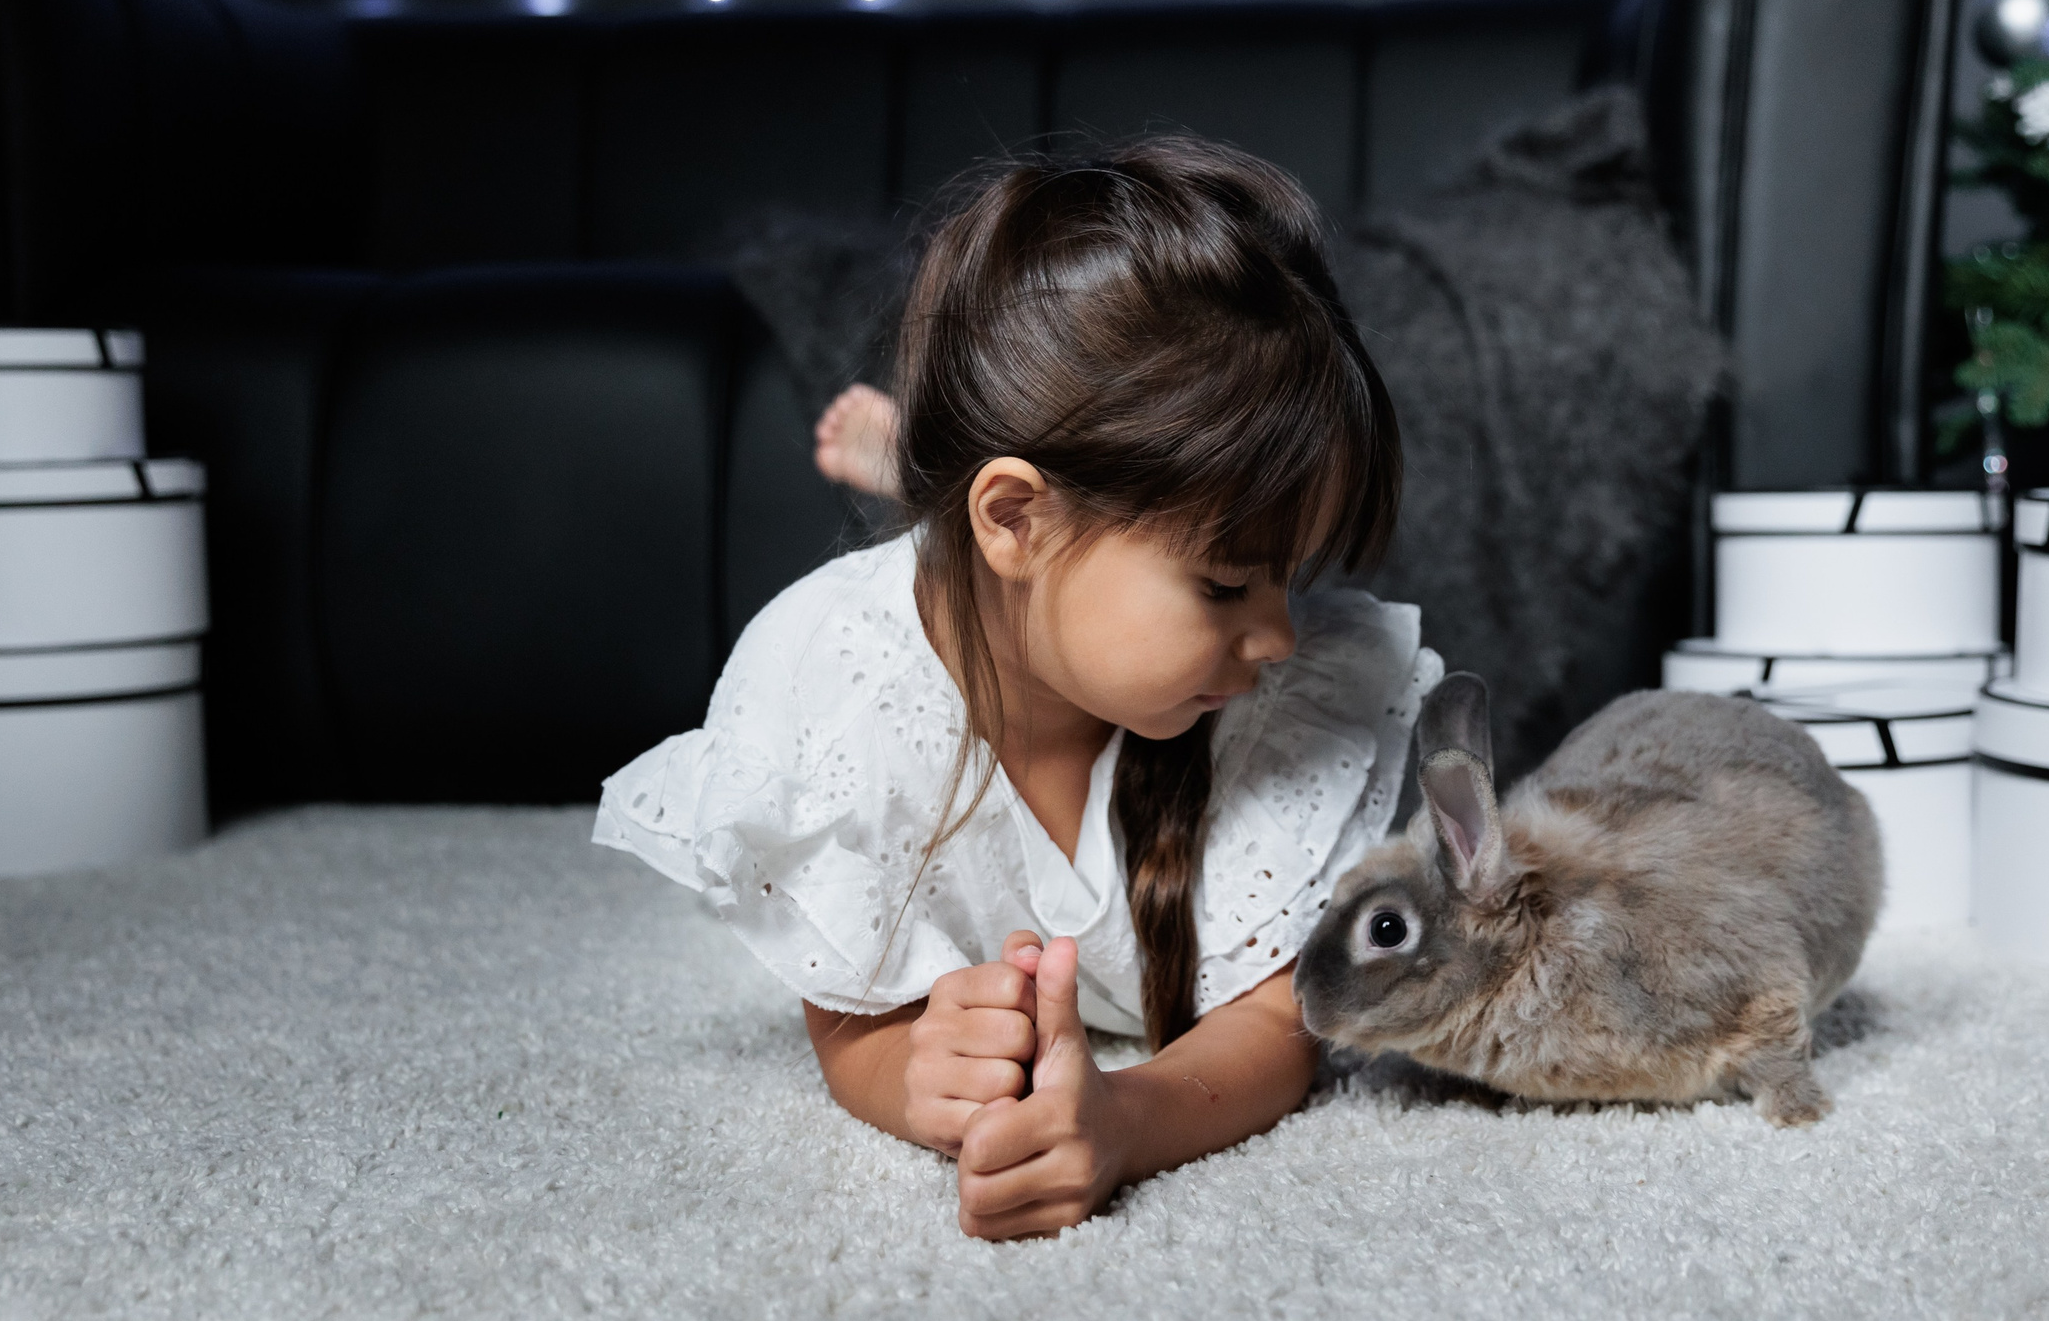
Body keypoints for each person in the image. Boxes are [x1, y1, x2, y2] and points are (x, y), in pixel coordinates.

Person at [594, 135, 1436, 1239]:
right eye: (1229, 584)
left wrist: (1129, 1116)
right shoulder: (836, 689)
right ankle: (918, 476)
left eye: (1293, 579)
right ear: (1017, 519)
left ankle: (918, 472)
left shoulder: (1259, 693)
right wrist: (915, 1072)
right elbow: (854, 1015)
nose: (1278, 636)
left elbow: (1285, 1012)